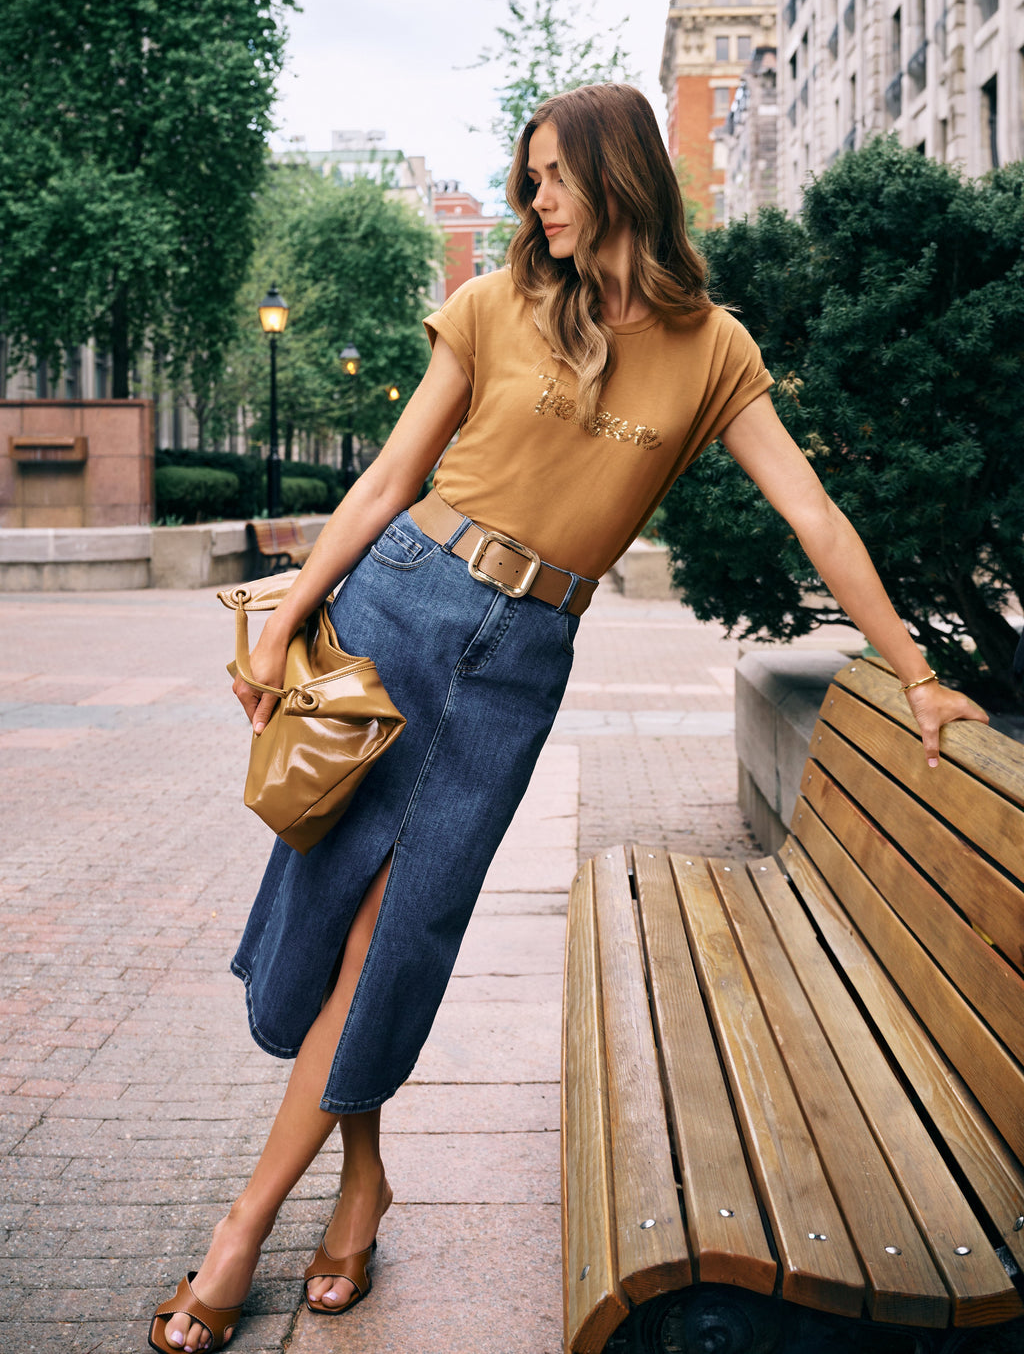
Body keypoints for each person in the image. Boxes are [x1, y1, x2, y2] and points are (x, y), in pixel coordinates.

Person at [147, 81, 986, 1353]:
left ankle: (243, 1228)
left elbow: (814, 516)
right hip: (401, 609)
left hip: (519, 658)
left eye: (551, 175)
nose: (528, 197)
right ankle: (352, 1186)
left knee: (398, 927)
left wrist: (916, 670)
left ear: (617, 176)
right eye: (524, 173)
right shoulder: (491, 306)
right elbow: (387, 479)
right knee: (344, 916)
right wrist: (284, 616)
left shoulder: (715, 349)